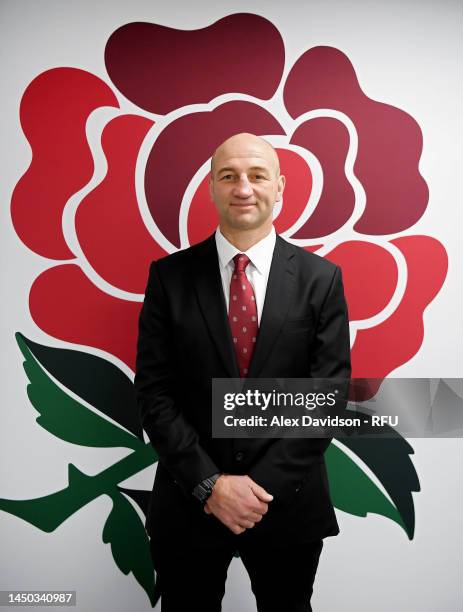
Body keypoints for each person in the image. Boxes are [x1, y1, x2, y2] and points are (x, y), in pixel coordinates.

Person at [134, 132, 351, 611]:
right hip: (189, 501)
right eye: (228, 176)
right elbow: (155, 392)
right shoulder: (168, 278)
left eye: (257, 175)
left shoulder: (322, 279)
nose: (243, 188)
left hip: (287, 502)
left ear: (280, 187)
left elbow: (327, 395)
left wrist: (257, 489)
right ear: (211, 187)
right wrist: (212, 487)